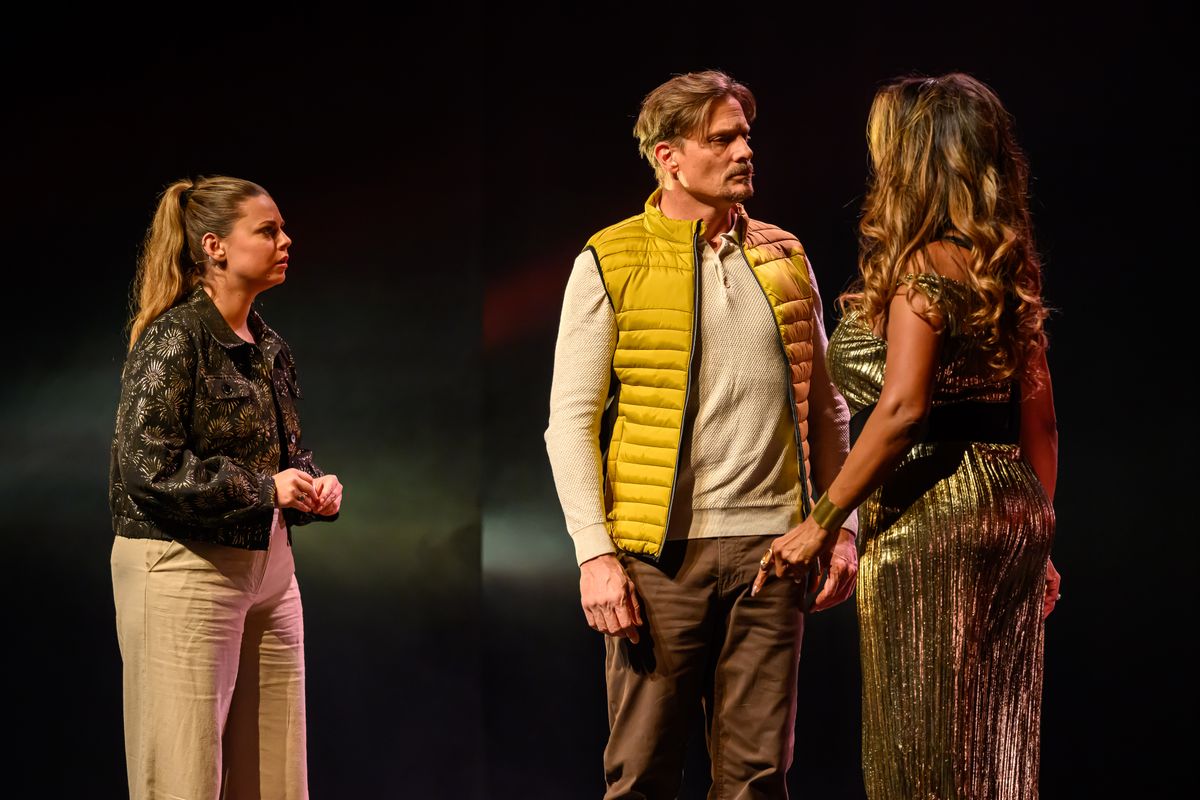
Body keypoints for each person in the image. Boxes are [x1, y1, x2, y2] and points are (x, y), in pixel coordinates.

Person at [545, 70, 859, 798]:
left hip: (773, 553)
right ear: (669, 157)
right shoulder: (611, 258)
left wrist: (839, 527)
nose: (745, 151)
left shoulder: (785, 255)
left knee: (757, 778)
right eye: (722, 139)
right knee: (641, 775)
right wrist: (595, 554)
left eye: (746, 135)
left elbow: (828, 408)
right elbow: (571, 422)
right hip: (659, 560)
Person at [753, 73, 1062, 799]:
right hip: (1013, 506)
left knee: (925, 750)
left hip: (934, 511)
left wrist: (821, 521)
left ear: (917, 162)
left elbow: (901, 410)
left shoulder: (923, 270)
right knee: (990, 745)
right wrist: (1040, 537)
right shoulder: (1005, 262)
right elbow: (1041, 421)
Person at [109, 175, 343, 799]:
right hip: (183, 566)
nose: (286, 240)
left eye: (282, 229)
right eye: (267, 230)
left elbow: (277, 456)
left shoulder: (269, 345)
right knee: (183, 778)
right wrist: (267, 489)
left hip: (270, 569)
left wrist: (312, 486)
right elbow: (147, 467)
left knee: (277, 780)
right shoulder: (174, 338)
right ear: (214, 246)